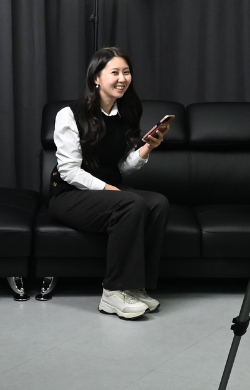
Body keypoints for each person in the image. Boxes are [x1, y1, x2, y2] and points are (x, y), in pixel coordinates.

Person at [49, 46, 171, 319]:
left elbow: (122, 166)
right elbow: (68, 171)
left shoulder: (126, 113)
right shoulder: (69, 114)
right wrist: (106, 188)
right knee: (129, 203)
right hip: (69, 194)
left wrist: (147, 148)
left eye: (126, 72)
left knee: (158, 203)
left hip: (109, 191)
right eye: (114, 72)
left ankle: (135, 287)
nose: (122, 79)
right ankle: (113, 292)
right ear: (96, 78)